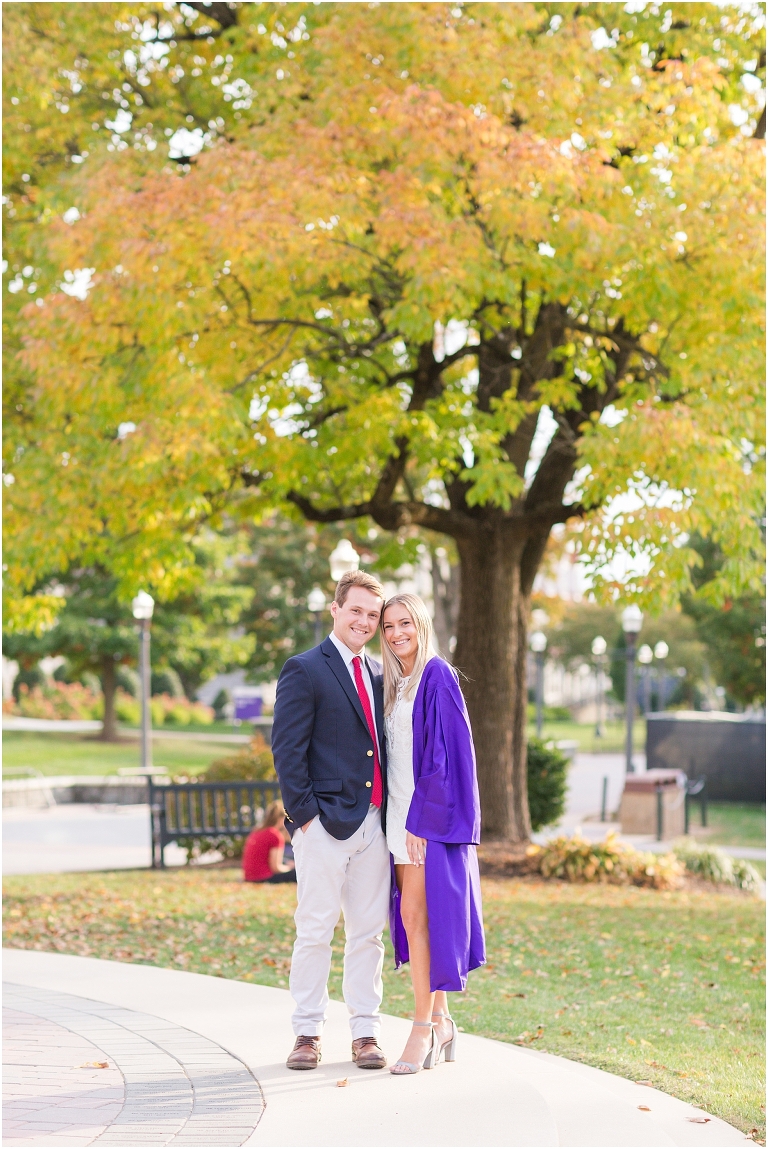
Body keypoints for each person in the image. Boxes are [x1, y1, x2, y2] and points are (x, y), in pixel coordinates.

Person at [272, 569, 390, 1071]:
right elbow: (287, 749)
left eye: (372, 614)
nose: (364, 621)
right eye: (356, 610)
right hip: (323, 826)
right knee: (315, 929)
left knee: (368, 933)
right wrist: (305, 820)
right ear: (336, 610)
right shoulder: (305, 668)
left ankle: (365, 1033)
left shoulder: (380, 675)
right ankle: (307, 1033)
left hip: (374, 824)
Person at [380, 593, 486, 1075]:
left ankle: (420, 1028)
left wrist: (422, 822)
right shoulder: (397, 683)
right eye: (388, 627)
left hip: (423, 822)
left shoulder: (436, 675)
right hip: (397, 816)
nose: (397, 633)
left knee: (416, 915)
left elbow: (448, 756)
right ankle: (442, 1020)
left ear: (421, 624)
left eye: (405, 623)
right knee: (419, 919)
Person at [242, 800, 297, 884]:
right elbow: (276, 868)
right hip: (264, 878)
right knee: (297, 872)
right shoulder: (275, 835)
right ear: (281, 818)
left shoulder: (256, 831)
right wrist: (289, 867)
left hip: (249, 877)